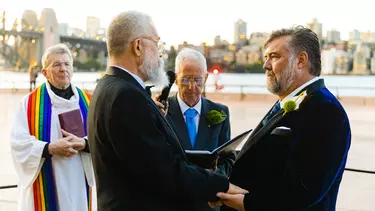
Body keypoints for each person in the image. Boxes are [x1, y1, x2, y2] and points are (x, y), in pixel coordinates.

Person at [87, 10, 247, 211]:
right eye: (156, 43)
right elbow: (164, 172)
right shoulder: (127, 97)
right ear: (138, 46)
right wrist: (222, 186)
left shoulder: (108, 86)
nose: (160, 53)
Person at [215, 26, 351, 211]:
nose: (266, 65)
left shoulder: (326, 111)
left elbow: (305, 191)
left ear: (301, 60)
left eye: (274, 56)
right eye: (266, 58)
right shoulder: (290, 101)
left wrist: (247, 204)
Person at [10, 43, 96, 211]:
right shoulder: (29, 104)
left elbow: (104, 138)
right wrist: (49, 148)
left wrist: (84, 144)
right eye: (56, 64)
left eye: (67, 64)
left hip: (79, 182)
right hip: (45, 181)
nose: (63, 69)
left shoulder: (89, 102)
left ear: (72, 68)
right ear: (44, 73)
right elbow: (18, 144)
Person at [165, 48, 236, 211]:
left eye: (197, 80)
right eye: (185, 79)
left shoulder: (221, 112)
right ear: (175, 79)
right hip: (171, 203)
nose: (192, 87)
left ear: (206, 77)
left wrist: (215, 173)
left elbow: (229, 159)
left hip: (208, 205)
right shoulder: (161, 112)